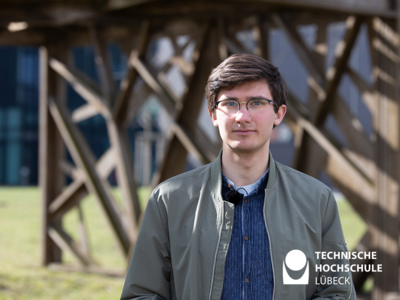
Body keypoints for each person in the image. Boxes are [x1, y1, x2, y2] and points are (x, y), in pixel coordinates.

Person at [120, 53, 356, 300]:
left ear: (279, 114)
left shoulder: (317, 200)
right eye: (230, 103)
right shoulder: (169, 200)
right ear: (213, 114)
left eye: (256, 103)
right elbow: (142, 294)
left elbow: (337, 293)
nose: (242, 117)